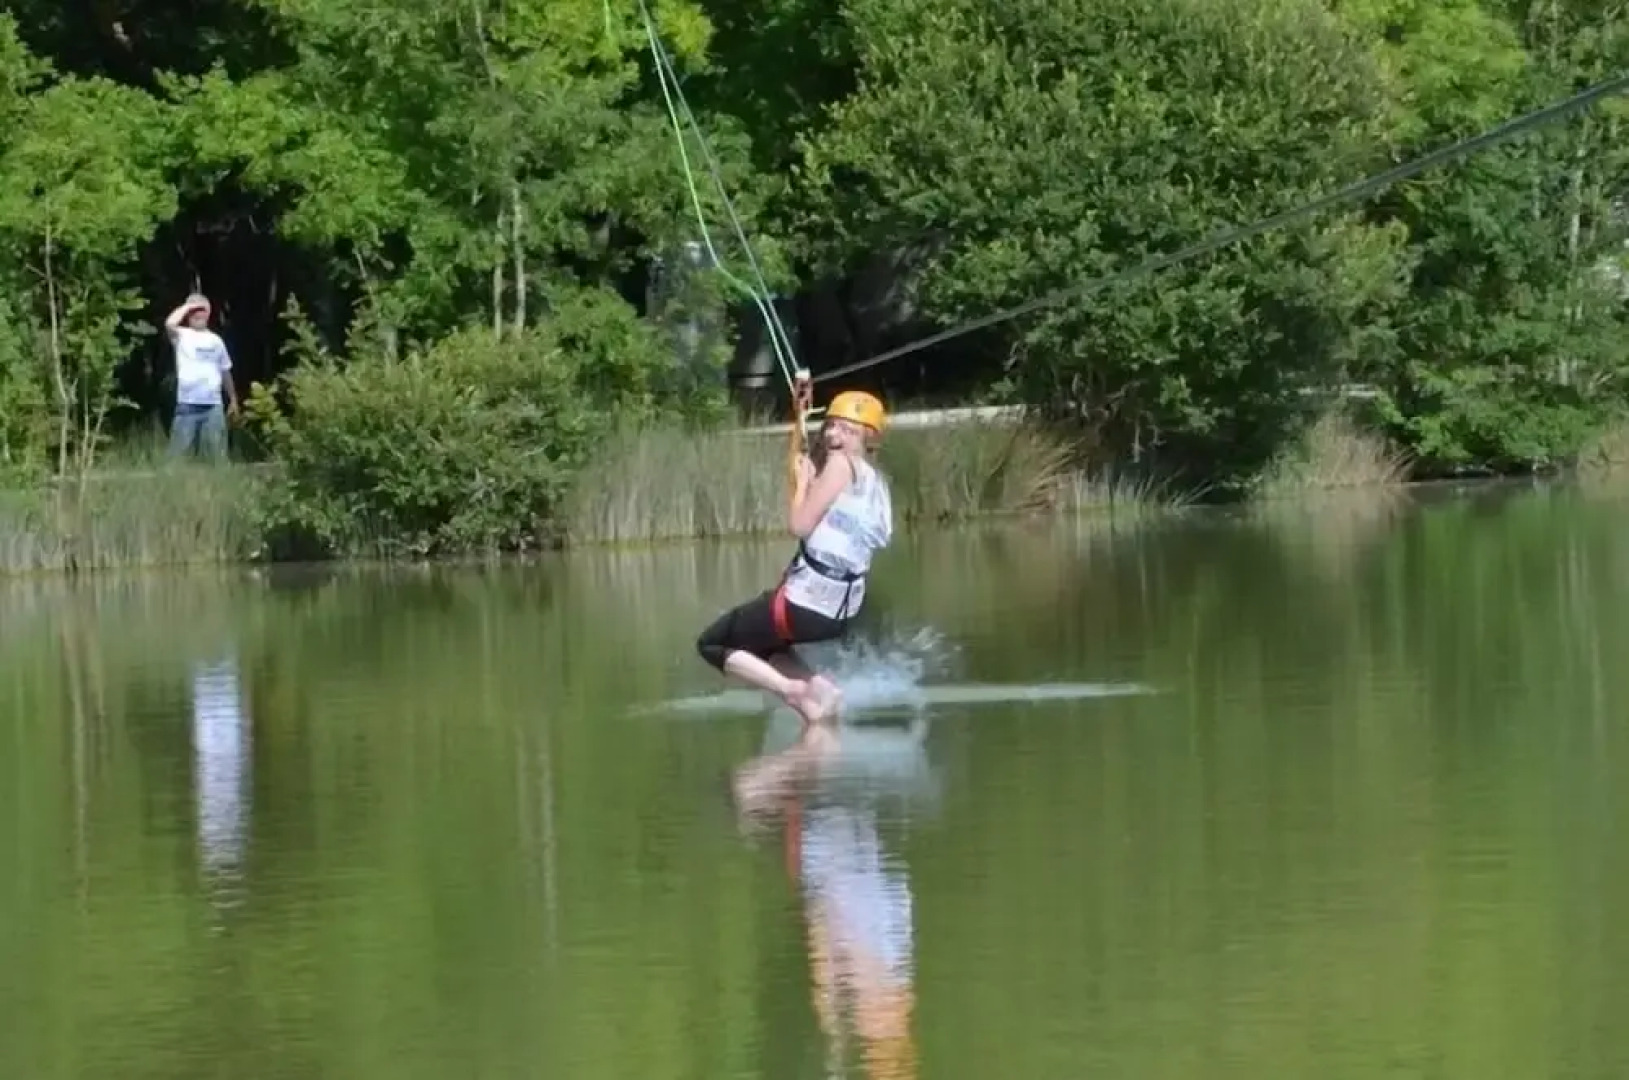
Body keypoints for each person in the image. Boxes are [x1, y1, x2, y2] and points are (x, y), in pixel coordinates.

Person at [696, 390, 894, 725]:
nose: (834, 434)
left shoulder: (839, 465)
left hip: (804, 604)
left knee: (712, 644)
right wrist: (800, 412)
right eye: (832, 426)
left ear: (866, 436)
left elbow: (799, 525)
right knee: (765, 648)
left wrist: (801, 484)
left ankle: (791, 690)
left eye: (847, 429)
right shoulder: (871, 481)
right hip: (840, 612)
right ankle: (816, 700)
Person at [162, 293, 239, 460]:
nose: (198, 314)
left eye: (201, 310)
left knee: (217, 456)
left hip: (213, 406)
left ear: (209, 313)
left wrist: (233, 399)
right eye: (193, 311)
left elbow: (225, 371)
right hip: (187, 405)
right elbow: (169, 323)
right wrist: (189, 306)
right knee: (176, 456)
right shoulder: (181, 335)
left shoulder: (216, 341)